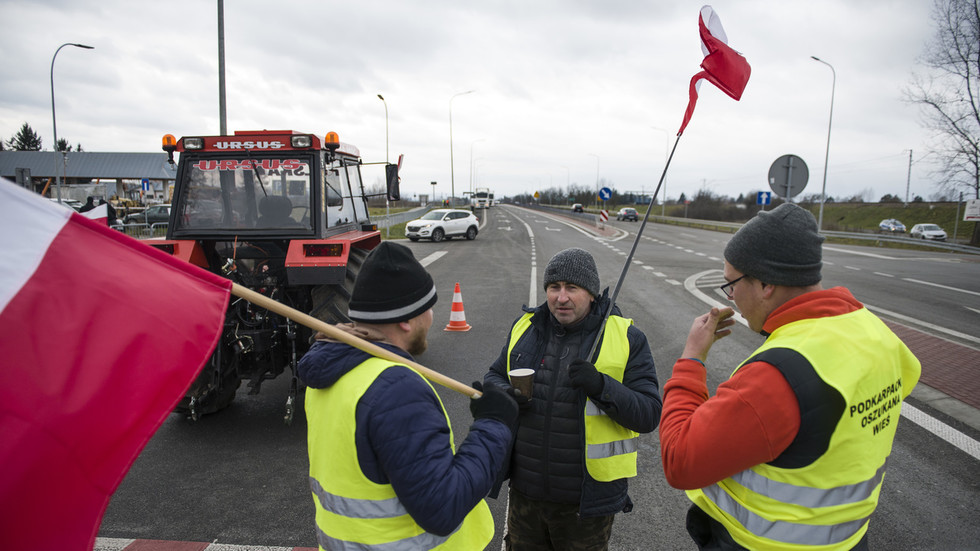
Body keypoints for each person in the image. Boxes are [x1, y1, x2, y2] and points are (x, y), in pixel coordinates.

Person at [659, 203, 921, 551]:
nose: (730, 295)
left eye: (732, 283)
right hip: (849, 540)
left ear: (766, 283)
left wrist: (692, 358)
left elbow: (680, 461)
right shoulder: (877, 335)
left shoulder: (778, 375)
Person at [298, 241, 519, 550]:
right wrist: (494, 425)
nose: (430, 317)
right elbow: (443, 508)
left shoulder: (330, 370)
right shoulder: (395, 388)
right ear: (405, 319)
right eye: (426, 308)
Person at [483, 247, 662, 550]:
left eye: (572, 288)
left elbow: (648, 414)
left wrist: (601, 385)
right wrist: (507, 394)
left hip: (585, 505)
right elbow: (493, 377)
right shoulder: (525, 327)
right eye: (554, 287)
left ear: (591, 293)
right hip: (525, 497)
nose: (561, 297)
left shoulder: (626, 337)